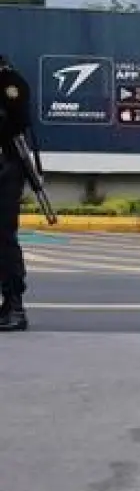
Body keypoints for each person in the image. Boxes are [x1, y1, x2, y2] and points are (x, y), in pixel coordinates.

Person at [0, 54, 32, 332]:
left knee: (2, 235)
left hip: (5, 169)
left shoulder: (9, 81)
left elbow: (20, 121)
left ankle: (13, 305)